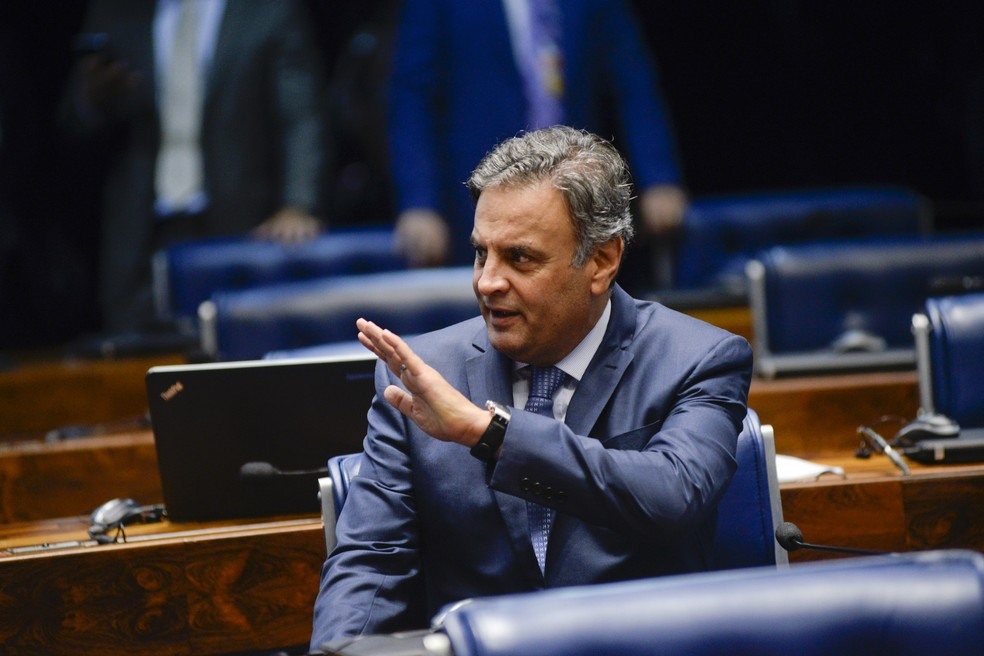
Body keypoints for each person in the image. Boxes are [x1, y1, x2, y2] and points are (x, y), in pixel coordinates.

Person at [310, 126, 752, 647]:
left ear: (602, 261)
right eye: (481, 254)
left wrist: (491, 433)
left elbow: (672, 496)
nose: (486, 282)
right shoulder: (426, 374)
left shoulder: (696, 358)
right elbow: (373, 562)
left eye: (519, 258)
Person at [61, 0, 328, 332]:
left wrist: (298, 203)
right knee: (135, 364)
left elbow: (299, 115)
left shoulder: (265, 10)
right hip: (138, 232)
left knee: (236, 351)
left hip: (240, 223)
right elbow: (70, 126)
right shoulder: (114, 11)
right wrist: (91, 100)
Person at [387, 0, 687, 287]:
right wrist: (420, 203)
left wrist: (659, 178)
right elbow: (412, 97)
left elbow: (632, 82)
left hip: (578, 195)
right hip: (476, 199)